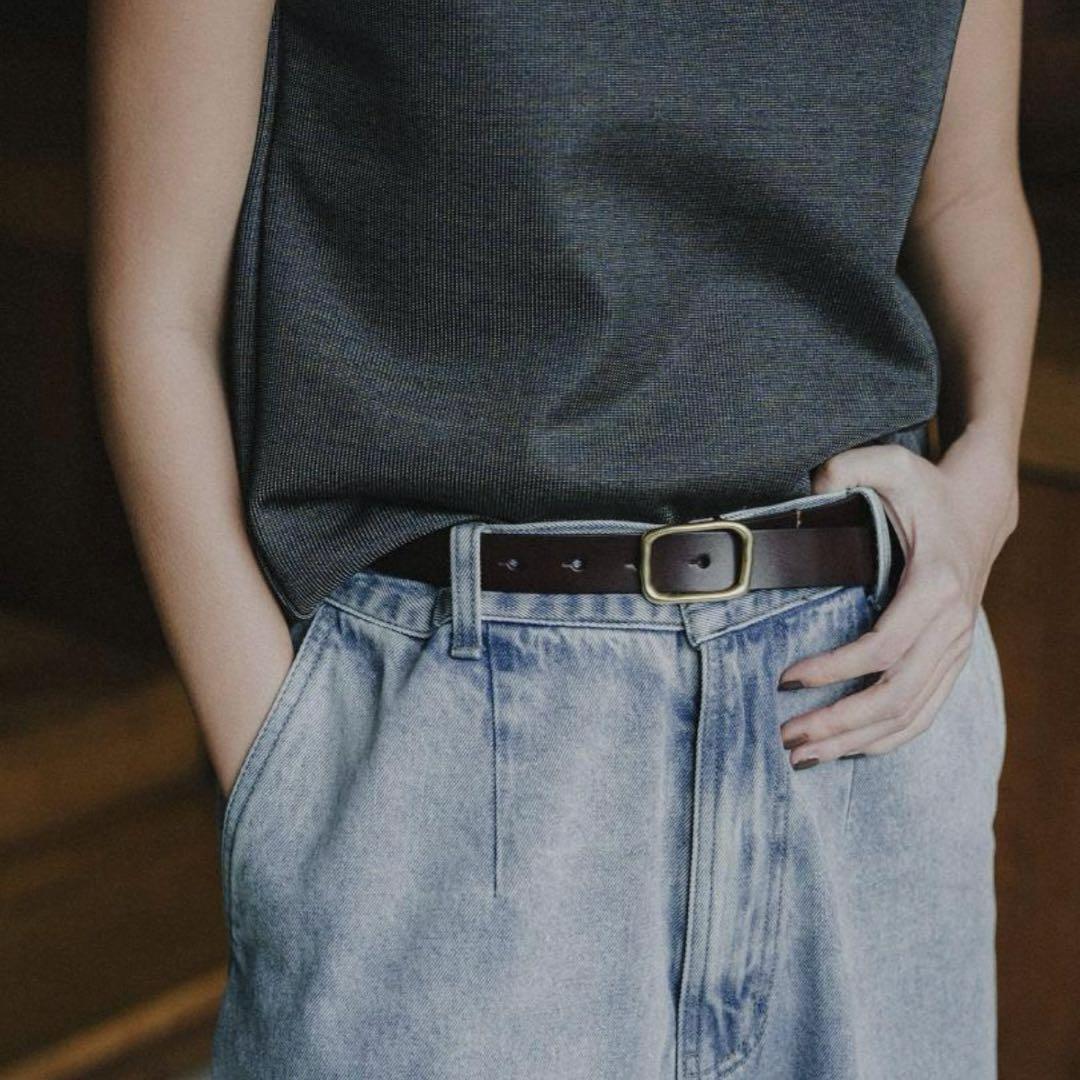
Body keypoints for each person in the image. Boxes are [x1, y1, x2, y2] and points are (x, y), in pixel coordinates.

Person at [86, 0, 1038, 1077]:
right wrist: (286, 773)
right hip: (456, 736)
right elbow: (157, 303)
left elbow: (969, 194)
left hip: (873, 713)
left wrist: (987, 479)